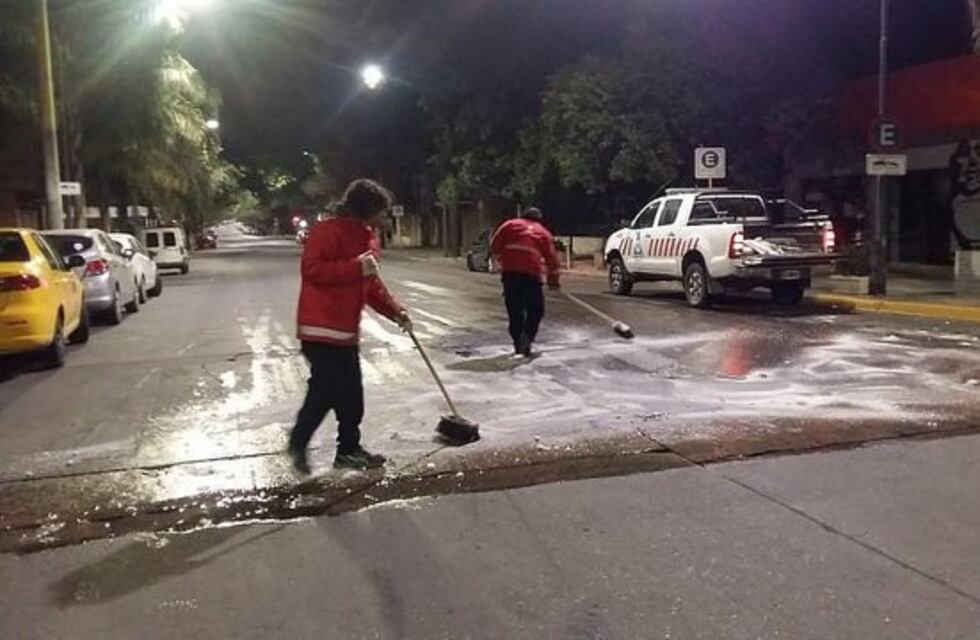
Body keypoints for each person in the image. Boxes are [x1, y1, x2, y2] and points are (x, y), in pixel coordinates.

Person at [288, 178, 411, 474]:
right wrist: (355, 266)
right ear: (367, 210)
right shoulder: (327, 232)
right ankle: (299, 441)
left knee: (351, 395)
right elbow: (313, 270)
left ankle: (348, 449)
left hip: (345, 333)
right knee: (326, 392)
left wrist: (397, 313)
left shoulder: (368, 239)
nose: (385, 218)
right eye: (381, 212)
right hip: (320, 330)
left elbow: (371, 288)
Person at [489, 206, 561, 357]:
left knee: (515, 310)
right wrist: (553, 280)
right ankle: (527, 337)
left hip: (510, 274)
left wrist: (503, 259)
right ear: (539, 220)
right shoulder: (543, 232)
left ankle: (518, 343)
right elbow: (552, 260)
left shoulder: (509, 225)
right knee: (536, 309)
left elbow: (495, 246)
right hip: (531, 275)